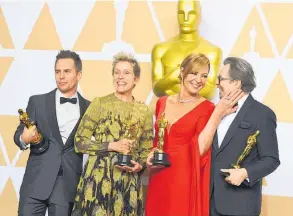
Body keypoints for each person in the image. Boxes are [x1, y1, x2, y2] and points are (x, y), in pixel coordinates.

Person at [145, 53, 243, 216]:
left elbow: (202, 148)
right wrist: (152, 154)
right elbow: (159, 142)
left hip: (184, 180)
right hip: (159, 178)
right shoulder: (162, 102)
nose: (199, 80)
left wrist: (217, 113)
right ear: (182, 72)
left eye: (204, 75)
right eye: (194, 73)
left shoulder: (207, 108)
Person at [71, 52, 153, 216]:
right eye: (117, 72)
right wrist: (111, 146)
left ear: (136, 79)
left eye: (126, 72)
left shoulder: (144, 110)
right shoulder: (99, 104)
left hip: (128, 184)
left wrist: (140, 165)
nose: (120, 77)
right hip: (98, 181)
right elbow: (79, 142)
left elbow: (146, 149)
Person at [14, 50, 90, 216]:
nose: (61, 76)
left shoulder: (90, 108)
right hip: (35, 182)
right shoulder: (37, 102)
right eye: (57, 71)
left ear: (79, 75)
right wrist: (24, 138)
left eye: (67, 71)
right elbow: (19, 134)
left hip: (67, 185)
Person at [210, 57, 280, 216]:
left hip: (240, 205)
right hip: (210, 202)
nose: (217, 83)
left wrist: (244, 173)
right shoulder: (216, 111)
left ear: (236, 82)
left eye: (221, 79)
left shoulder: (262, 114)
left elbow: (271, 159)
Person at [151, 0, 222, 99]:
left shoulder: (212, 52)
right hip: (168, 112)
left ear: (199, 17)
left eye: (191, 14)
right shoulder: (161, 49)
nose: (185, 18)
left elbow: (209, 92)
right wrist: (171, 77)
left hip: (198, 112)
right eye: (181, 13)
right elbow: (157, 89)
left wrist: (177, 82)